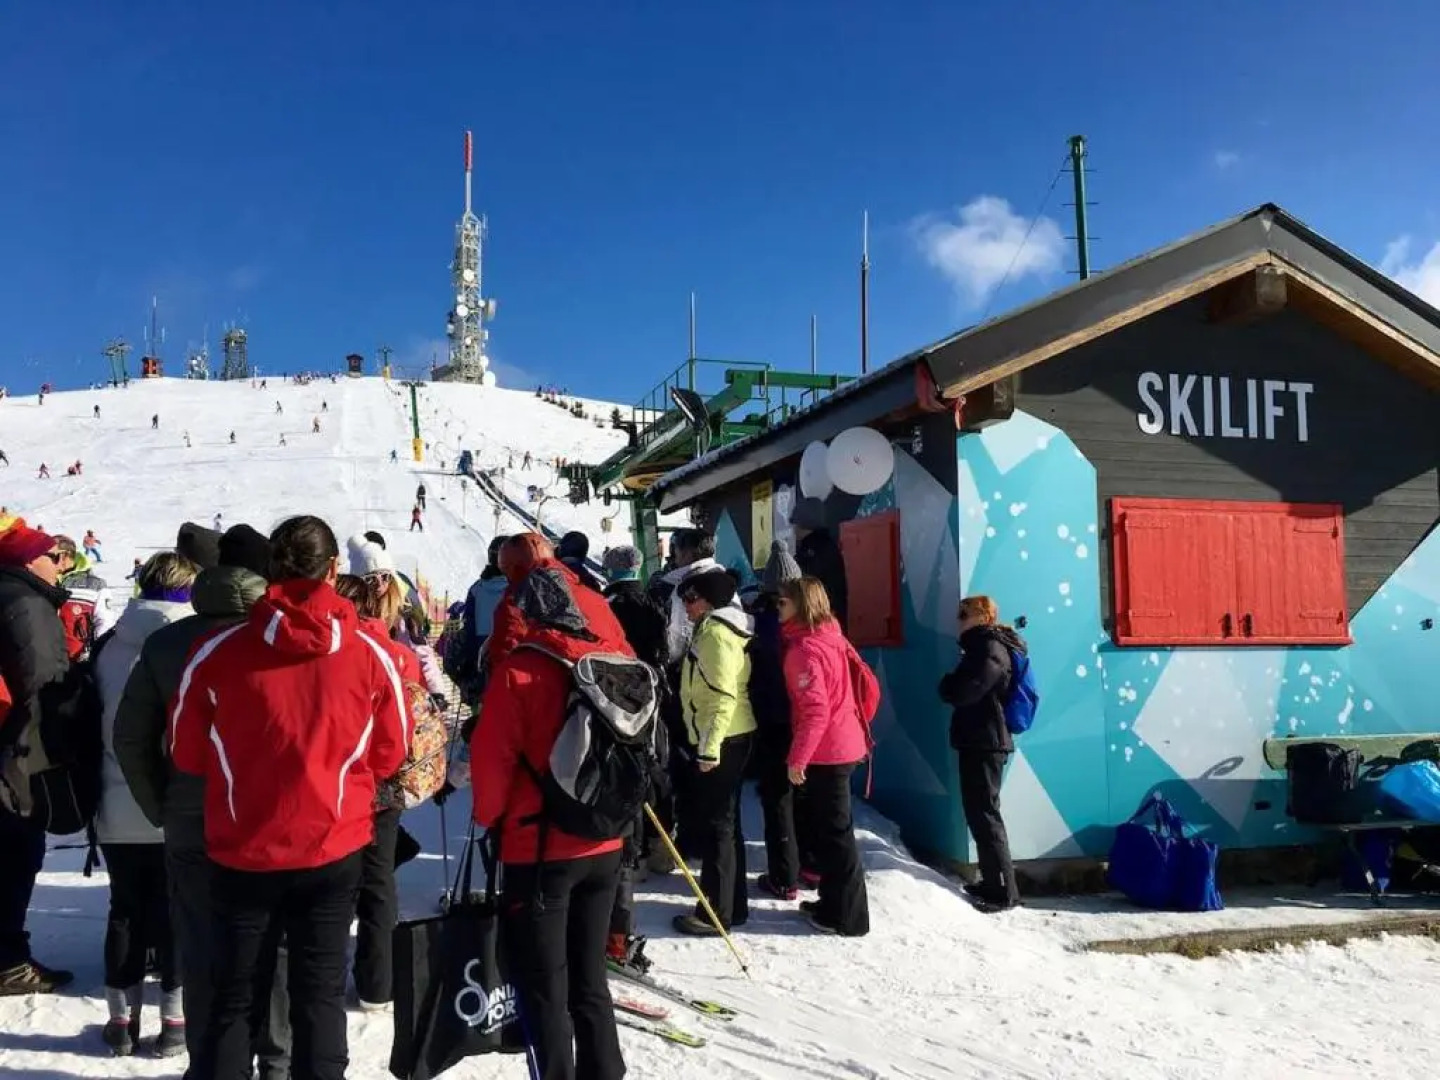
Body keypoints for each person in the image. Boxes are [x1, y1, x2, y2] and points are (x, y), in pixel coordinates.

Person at [170, 515, 409, 1080]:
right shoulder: (370, 652)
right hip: (332, 846)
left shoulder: (217, 650)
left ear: (273, 567)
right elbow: (392, 752)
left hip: (243, 847)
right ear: (333, 569)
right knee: (318, 996)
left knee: (235, 997)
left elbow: (186, 752)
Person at [114, 522, 290, 1076]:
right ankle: (276, 1061)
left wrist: (161, 806)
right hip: (268, 819)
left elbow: (130, 737)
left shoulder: (168, 643)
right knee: (273, 943)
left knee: (201, 945)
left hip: (192, 818)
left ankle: (211, 1063)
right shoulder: (279, 639)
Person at [470, 537, 631, 1080]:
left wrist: (488, 819)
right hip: (603, 836)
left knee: (545, 984)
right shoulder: (610, 658)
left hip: (538, 847)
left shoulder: (519, 672)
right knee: (590, 977)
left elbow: (491, 765)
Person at [94, 552, 198, 1055]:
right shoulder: (194, 641)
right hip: (177, 802)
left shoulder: (109, 645)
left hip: (115, 801)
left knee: (125, 909)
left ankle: (120, 1021)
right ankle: (174, 1021)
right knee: (178, 910)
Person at [333, 570, 418, 1011]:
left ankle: (324, 977)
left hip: (338, 784)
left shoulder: (337, 648)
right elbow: (401, 730)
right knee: (378, 881)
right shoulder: (396, 653)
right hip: (382, 786)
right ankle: (377, 984)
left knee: (331, 882)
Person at [0, 520, 76, 995]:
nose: (59, 564)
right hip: (14, 752)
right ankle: (8, 962)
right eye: (52, 555)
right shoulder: (25, 602)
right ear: (29, 560)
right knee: (15, 853)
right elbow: (45, 685)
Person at [778, 576, 877, 937]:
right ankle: (832, 903)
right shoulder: (831, 636)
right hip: (845, 742)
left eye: (783, 602)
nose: (777, 607)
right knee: (831, 832)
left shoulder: (803, 651)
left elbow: (815, 710)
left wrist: (797, 759)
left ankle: (849, 918)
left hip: (828, 750)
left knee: (837, 837)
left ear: (800, 605)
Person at [673, 566, 756, 936]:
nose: (686, 606)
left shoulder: (716, 635)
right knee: (726, 825)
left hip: (723, 739)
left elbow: (722, 696)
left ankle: (715, 913)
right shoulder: (717, 629)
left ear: (709, 601)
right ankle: (731, 905)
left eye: (691, 599)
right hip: (729, 735)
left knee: (718, 828)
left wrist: (708, 749)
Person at [599, 544, 668, 973]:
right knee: (649, 777)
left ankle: (631, 855)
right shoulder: (653, 605)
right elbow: (664, 653)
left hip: (611, 708)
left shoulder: (605, 607)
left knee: (619, 787)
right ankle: (648, 848)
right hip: (649, 706)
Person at [938, 594, 1027, 912]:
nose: (959, 620)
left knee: (986, 813)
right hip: (979, 739)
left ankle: (1003, 891)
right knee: (979, 812)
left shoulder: (989, 648)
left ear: (982, 616)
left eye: (964, 614)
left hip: (986, 740)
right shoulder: (980, 647)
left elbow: (966, 691)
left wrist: (947, 684)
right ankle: (992, 882)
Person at [751, 541, 804, 901]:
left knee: (777, 799)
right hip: (807, 723)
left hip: (773, 720)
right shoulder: (813, 621)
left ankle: (784, 876)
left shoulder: (763, 624)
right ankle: (809, 865)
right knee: (804, 797)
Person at [789, 498, 849, 634]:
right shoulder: (827, 546)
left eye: (796, 523)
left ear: (803, 523)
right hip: (831, 624)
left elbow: (802, 585)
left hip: (817, 624)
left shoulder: (812, 552)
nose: (794, 529)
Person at [53, 534, 117, 656]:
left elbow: (105, 622)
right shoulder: (42, 579)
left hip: (77, 658)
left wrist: (96, 654)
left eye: (51, 556)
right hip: (44, 656)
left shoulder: (94, 585)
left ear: (64, 556)